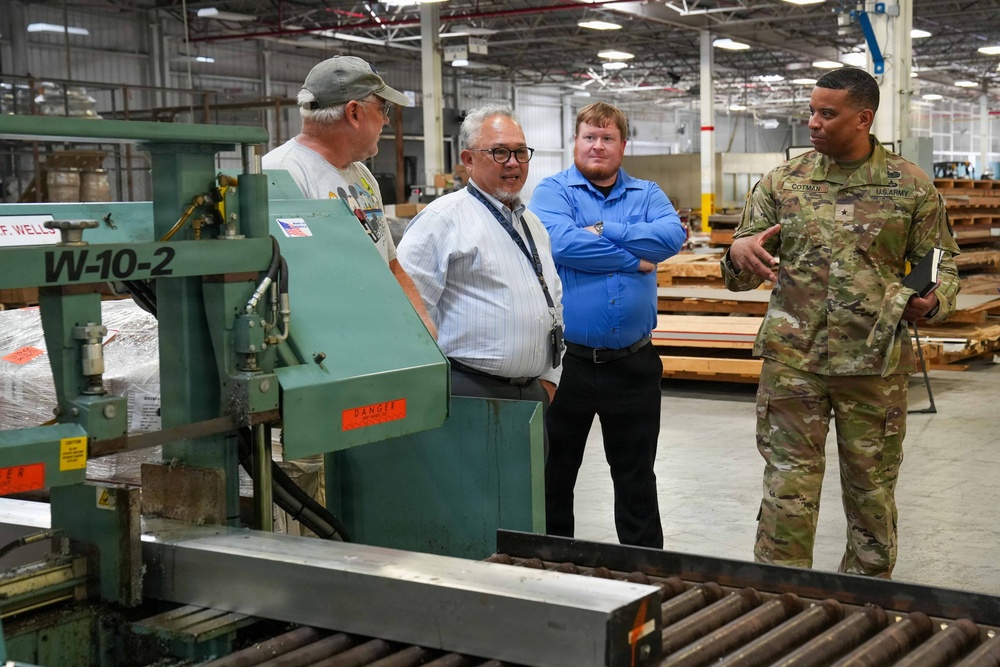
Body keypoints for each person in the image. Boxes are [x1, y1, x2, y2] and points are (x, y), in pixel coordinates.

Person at [721, 67, 961, 577]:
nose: (813, 122)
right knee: (788, 489)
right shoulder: (783, 183)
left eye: (827, 114)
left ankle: (865, 604)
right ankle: (780, 599)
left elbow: (944, 264)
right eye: (811, 110)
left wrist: (935, 302)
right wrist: (738, 253)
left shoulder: (911, 188)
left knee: (872, 495)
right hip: (793, 364)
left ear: (863, 118)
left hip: (873, 366)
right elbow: (741, 271)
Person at [529, 102, 686, 548]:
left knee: (637, 480)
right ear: (575, 142)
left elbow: (671, 238)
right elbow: (560, 243)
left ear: (622, 145)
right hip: (566, 366)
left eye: (607, 138)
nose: (597, 145)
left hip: (633, 364)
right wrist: (637, 257)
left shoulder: (648, 192)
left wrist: (600, 228)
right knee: (554, 477)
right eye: (589, 137)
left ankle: (643, 576)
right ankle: (556, 570)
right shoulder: (552, 191)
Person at [396, 104, 563, 409]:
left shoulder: (533, 225)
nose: (513, 163)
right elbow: (408, 315)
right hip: (467, 392)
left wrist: (551, 376)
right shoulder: (442, 219)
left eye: (520, 152)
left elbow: (553, 297)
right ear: (469, 160)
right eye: (499, 152)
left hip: (532, 394)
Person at [262, 55, 436, 339]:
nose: (387, 120)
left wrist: (422, 327)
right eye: (383, 108)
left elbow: (390, 264)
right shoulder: (281, 173)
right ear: (354, 113)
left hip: (376, 337)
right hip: (331, 345)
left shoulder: (363, 177)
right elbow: (295, 284)